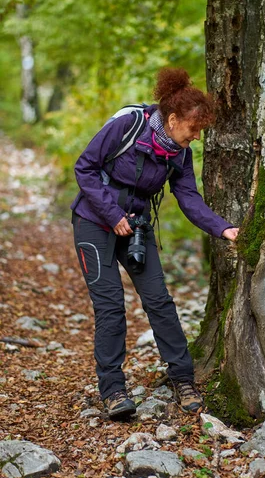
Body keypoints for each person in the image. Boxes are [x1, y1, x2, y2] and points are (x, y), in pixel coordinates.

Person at [71, 67, 239, 419]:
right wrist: (111, 214)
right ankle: (114, 390)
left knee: (160, 301)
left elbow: (190, 200)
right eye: (193, 129)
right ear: (174, 118)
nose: (195, 137)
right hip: (94, 221)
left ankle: (183, 379)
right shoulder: (128, 125)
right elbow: (84, 168)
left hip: (135, 227)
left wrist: (223, 229)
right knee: (111, 306)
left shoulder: (179, 154)